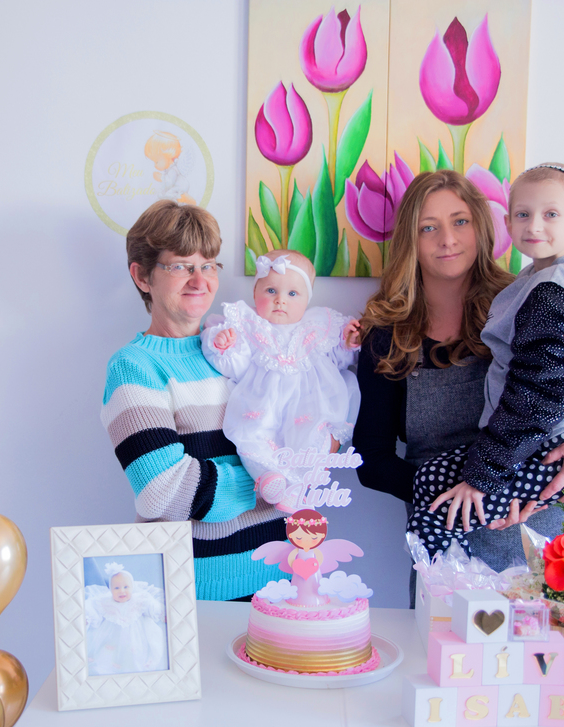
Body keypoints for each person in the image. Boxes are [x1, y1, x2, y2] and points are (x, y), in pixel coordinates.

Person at [354, 170, 564, 603]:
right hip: (445, 534)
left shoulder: (532, 302)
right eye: (429, 227)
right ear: (411, 240)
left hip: (549, 523)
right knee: (448, 661)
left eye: (460, 221)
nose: (447, 238)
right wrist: (466, 497)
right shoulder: (389, 336)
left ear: (484, 229)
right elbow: (371, 459)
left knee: (551, 661)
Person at [407, 163, 564, 555]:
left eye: (550, 214)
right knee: (431, 484)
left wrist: (482, 477)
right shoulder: (543, 283)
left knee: (435, 503)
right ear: (507, 222)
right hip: (519, 447)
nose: (534, 226)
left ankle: (440, 579)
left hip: (545, 446)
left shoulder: (551, 293)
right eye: (523, 214)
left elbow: (539, 394)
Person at [102, 200, 287, 601]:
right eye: (181, 265)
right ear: (142, 276)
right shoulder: (135, 367)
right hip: (194, 589)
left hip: (280, 575)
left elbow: (292, 422)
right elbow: (163, 490)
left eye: (208, 265)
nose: (199, 280)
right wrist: (268, 480)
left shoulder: (239, 347)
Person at [200, 250, 361, 511]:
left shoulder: (318, 324)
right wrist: (225, 346)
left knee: (314, 435)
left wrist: (348, 342)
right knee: (252, 435)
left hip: (308, 404)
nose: (280, 301)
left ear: (307, 299)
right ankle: (267, 477)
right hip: (262, 401)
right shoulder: (249, 324)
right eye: (271, 291)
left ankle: (299, 487)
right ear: (255, 295)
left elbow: (338, 357)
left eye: (292, 294)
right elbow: (237, 367)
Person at [84, 562, 168, 675]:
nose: (122, 591)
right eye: (116, 588)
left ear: (132, 587)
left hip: (136, 634)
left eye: (126, 587)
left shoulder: (140, 598)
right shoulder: (105, 600)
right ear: (111, 590)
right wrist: (87, 617)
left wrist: (161, 613)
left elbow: (151, 606)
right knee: (107, 652)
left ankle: (134, 664)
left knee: (134, 651)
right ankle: (111, 664)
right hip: (112, 634)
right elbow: (92, 605)